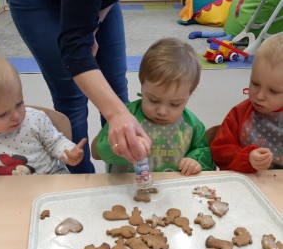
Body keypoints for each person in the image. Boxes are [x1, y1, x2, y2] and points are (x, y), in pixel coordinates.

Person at [5, 0, 151, 174]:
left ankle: (121, 172)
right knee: (71, 98)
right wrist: (116, 114)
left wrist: (93, 25)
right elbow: (74, 51)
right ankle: (82, 181)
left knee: (116, 91)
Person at [95, 38, 213, 175]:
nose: (162, 111)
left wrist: (195, 160)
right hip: (126, 188)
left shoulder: (192, 124)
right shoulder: (125, 118)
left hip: (172, 190)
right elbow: (100, 152)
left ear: (189, 95)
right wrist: (123, 145)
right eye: (153, 100)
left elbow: (204, 152)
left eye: (175, 104)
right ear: (142, 84)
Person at [0, 49, 87, 176]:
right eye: (2, 114)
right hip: (3, 192)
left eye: (19, 104)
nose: (16, 116)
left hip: (50, 179)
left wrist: (69, 152)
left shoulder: (34, 119)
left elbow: (56, 143)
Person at [210, 33, 283, 172]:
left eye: (273, 91)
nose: (260, 96)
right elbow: (220, 151)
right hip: (245, 182)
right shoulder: (240, 114)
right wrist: (246, 158)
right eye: (255, 83)